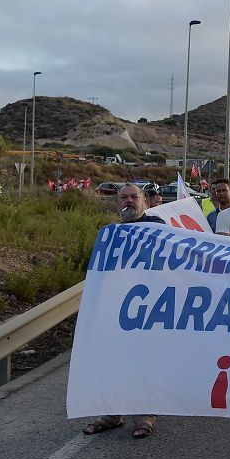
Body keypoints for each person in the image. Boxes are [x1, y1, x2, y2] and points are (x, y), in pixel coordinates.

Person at [82, 184, 165, 439]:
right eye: (123, 198)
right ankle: (112, 413)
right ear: (117, 203)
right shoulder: (111, 234)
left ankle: (144, 414)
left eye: (134, 197)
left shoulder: (156, 227)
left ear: (145, 202)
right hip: (118, 309)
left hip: (149, 309)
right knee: (113, 360)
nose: (129, 201)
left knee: (143, 360)